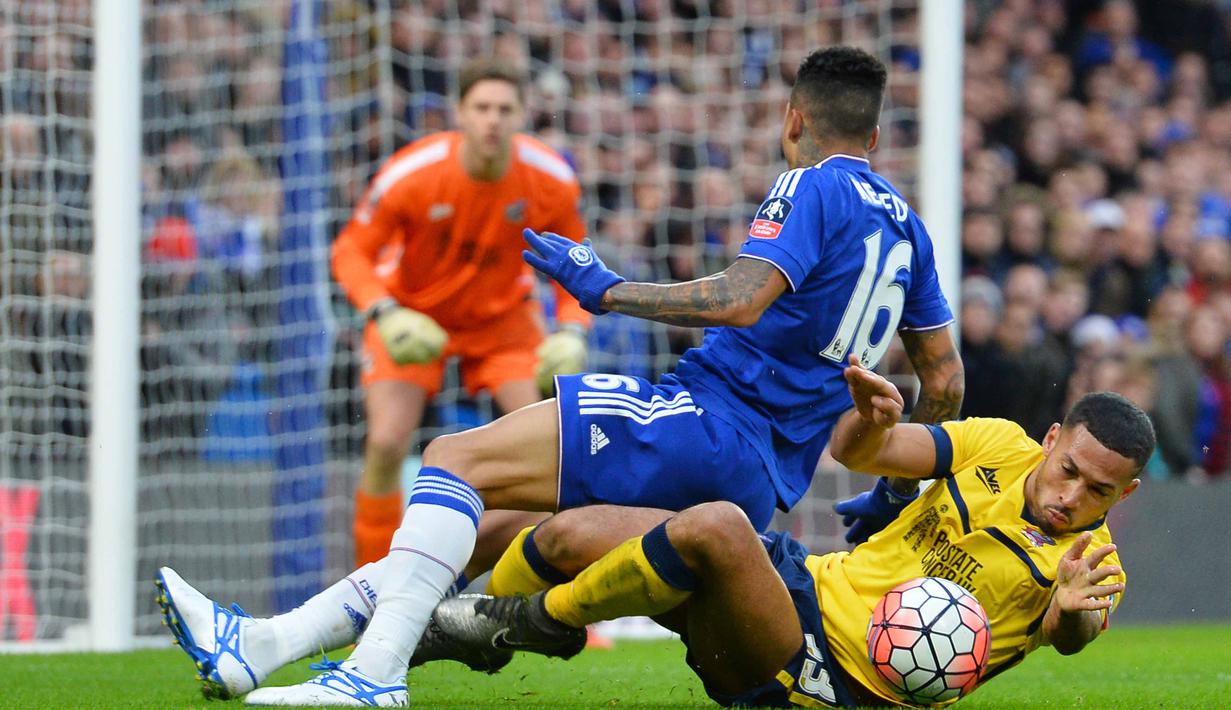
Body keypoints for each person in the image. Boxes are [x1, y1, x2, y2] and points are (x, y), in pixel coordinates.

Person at [156, 46, 963, 706]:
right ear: (878, 140)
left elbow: (740, 299)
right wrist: (894, 487)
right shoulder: (913, 233)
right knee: (484, 523)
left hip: (704, 422)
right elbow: (945, 380)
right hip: (756, 476)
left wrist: (608, 290)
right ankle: (260, 647)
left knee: (451, 460)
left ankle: (372, 680)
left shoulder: (809, 183)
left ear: (794, 119)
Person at [424, 365, 1152, 708]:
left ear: (1126, 494)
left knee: (716, 525)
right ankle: (470, 639)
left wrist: (1071, 613)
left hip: (833, 682)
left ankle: (533, 622)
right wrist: (870, 419)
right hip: (796, 588)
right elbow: (862, 454)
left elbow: (1070, 633)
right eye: (1068, 471)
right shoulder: (996, 444)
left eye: (1097, 492)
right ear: (1051, 439)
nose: (1069, 497)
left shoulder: (1092, 567)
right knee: (565, 535)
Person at [331, 57, 591, 568]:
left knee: (545, 453)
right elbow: (349, 251)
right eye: (482, 108)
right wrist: (384, 313)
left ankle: (552, 600)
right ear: (460, 114)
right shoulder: (412, 174)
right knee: (385, 442)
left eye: (504, 108)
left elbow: (575, 262)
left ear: (522, 115)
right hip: (413, 314)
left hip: (501, 321)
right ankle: (366, 599)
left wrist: (573, 330)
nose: (493, 119)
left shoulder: (552, 179)